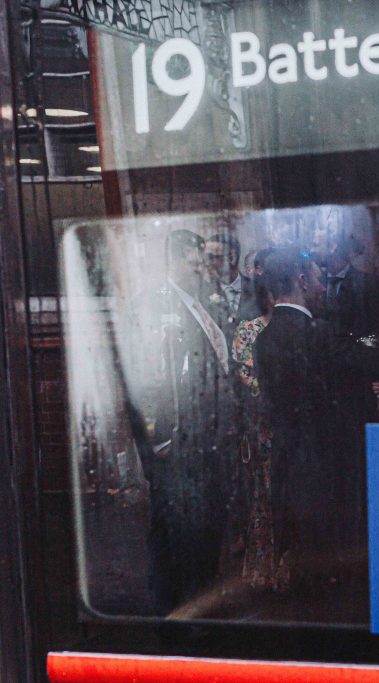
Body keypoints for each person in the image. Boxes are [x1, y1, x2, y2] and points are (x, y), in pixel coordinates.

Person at [255, 248, 379, 586]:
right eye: (319, 279)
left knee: (304, 573)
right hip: (328, 470)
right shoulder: (316, 334)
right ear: (303, 281)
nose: (323, 288)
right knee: (337, 569)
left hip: (289, 468)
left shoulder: (264, 339)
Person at [136, 229, 235, 613]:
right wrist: (156, 442)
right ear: (173, 262)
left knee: (204, 531)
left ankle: (199, 607)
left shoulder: (204, 304)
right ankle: (177, 617)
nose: (201, 269)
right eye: (193, 262)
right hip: (176, 444)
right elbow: (145, 379)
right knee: (176, 535)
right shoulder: (153, 306)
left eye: (203, 262)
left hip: (206, 441)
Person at [230, 252, 278, 589]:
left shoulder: (302, 324)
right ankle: (266, 570)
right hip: (263, 428)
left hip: (292, 428)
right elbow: (249, 383)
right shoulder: (247, 332)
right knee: (264, 498)